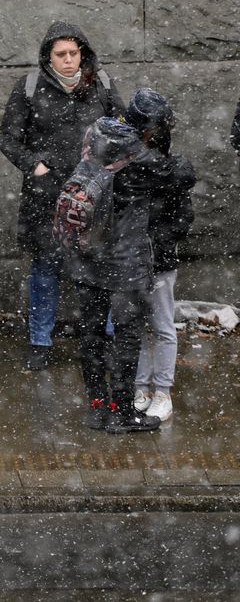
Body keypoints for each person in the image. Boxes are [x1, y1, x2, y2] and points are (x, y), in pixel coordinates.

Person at [0, 22, 122, 371]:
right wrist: (34, 165)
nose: (68, 60)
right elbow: (8, 138)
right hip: (46, 197)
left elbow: (124, 131)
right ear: (48, 57)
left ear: (83, 53)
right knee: (45, 268)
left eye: (74, 53)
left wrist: (108, 169)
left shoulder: (103, 85)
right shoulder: (30, 87)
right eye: (60, 54)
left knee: (99, 268)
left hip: (95, 196)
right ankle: (40, 340)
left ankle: (104, 337)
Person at [60, 115, 167, 434]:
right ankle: (121, 410)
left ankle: (97, 406)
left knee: (91, 336)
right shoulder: (139, 159)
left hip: (86, 263)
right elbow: (177, 173)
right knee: (126, 337)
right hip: (123, 268)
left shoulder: (91, 150)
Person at [125, 90, 194, 423]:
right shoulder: (132, 165)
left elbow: (183, 216)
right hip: (135, 257)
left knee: (162, 326)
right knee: (136, 326)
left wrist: (159, 241)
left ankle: (162, 391)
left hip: (159, 259)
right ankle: (141, 387)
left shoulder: (170, 169)